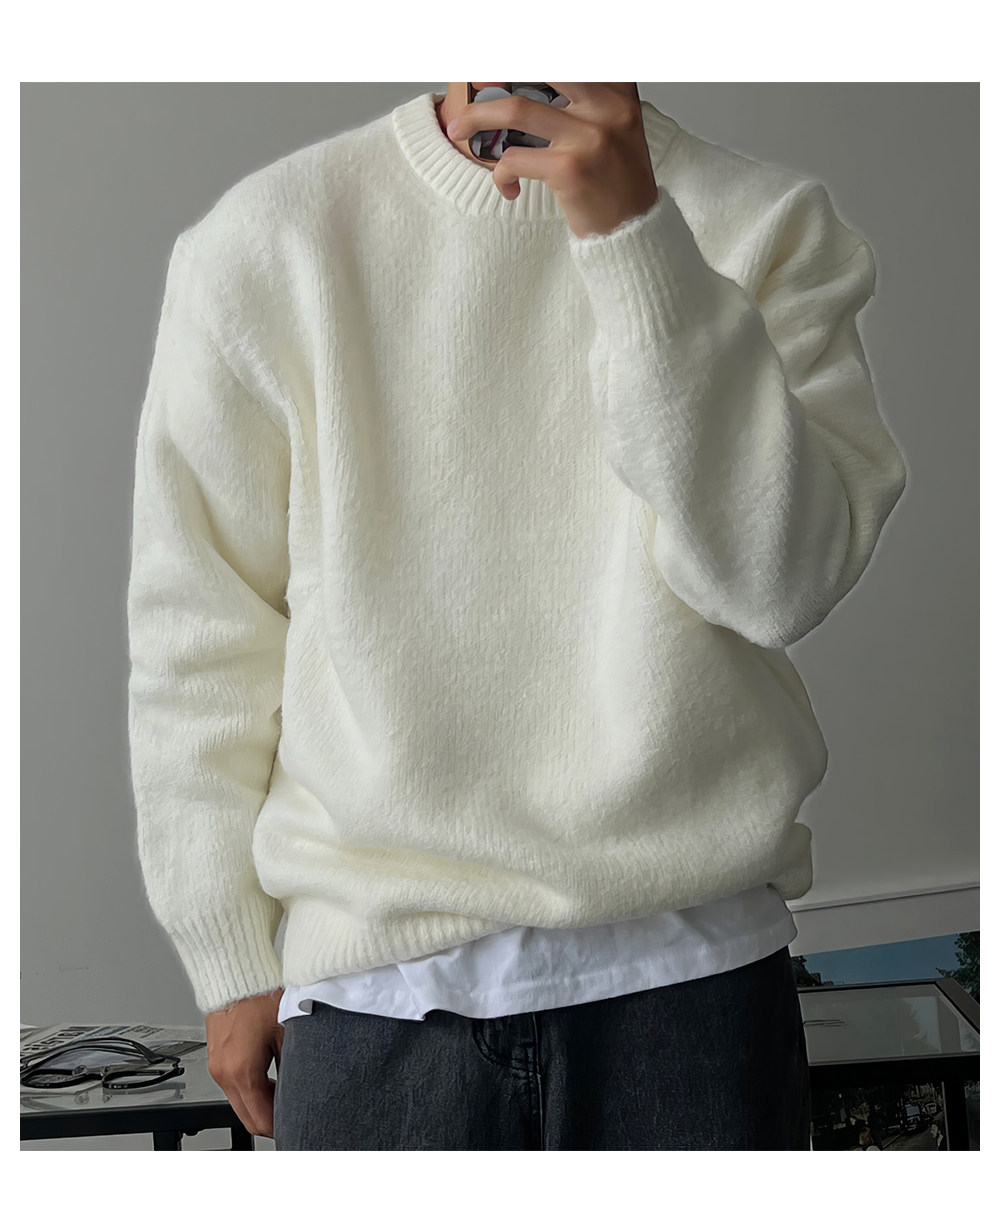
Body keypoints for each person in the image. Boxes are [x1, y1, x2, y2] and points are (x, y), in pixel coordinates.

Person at [126, 82, 907, 1150]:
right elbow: (201, 625)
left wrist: (636, 240)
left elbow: (777, 581)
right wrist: (227, 953)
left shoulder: (764, 223)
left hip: (688, 978)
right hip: (376, 994)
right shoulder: (271, 239)